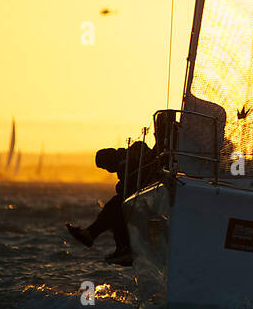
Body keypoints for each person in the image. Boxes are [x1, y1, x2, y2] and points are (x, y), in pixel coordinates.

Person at [66, 111, 173, 265]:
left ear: (109, 160)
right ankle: (106, 240)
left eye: (105, 166)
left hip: (149, 203)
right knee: (117, 207)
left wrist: (121, 185)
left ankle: (106, 240)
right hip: (144, 201)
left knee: (117, 207)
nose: (107, 169)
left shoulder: (127, 159)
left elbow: (134, 181)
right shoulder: (126, 159)